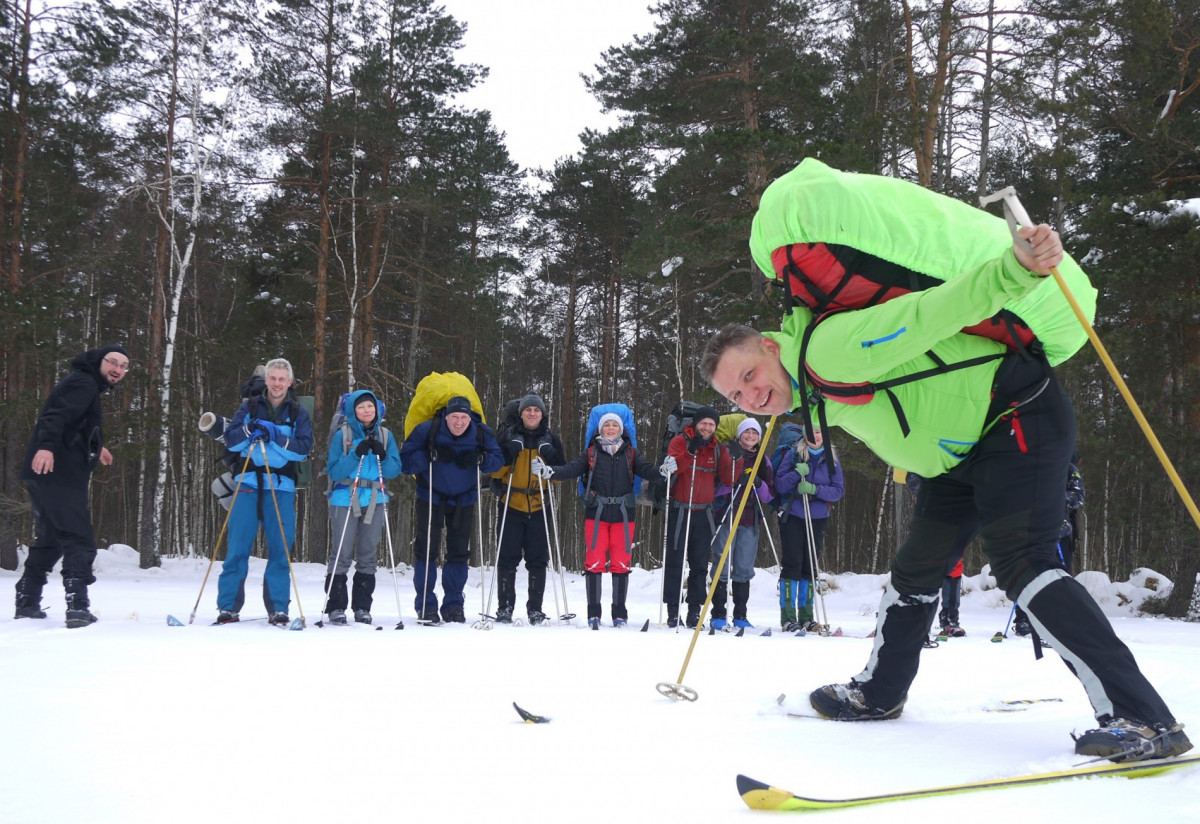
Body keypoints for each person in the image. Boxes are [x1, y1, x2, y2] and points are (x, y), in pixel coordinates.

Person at [701, 222, 1191, 762]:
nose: (751, 394)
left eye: (749, 374)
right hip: (958, 455)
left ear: (771, 346)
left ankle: (1146, 719)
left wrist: (1015, 269)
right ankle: (881, 693)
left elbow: (929, 314)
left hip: (1014, 412)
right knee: (916, 569)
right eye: (736, 394)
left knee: (1022, 561)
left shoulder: (828, 352)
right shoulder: (806, 380)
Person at [14, 344, 131, 627]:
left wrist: (95, 447)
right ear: (98, 361)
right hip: (56, 471)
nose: (117, 369)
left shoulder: (84, 383)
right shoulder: (84, 383)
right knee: (78, 537)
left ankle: (27, 600)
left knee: (52, 538)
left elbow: (77, 424)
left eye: (123, 366)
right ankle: (77, 606)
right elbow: (57, 416)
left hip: (49, 472)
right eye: (112, 362)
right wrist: (45, 447)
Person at [531, 408, 659, 628]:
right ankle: (594, 614)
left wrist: (664, 471)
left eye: (615, 425)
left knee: (621, 563)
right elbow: (571, 469)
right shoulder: (591, 452)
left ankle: (619, 614)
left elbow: (647, 470)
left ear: (621, 429)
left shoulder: (631, 453)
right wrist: (550, 471)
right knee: (595, 562)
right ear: (601, 429)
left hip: (623, 514)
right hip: (596, 514)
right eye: (607, 425)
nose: (611, 428)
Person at [216, 358, 313, 626]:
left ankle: (278, 608)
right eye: (273, 378)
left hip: (280, 487)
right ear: (266, 380)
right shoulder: (249, 406)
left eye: (282, 379)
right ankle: (228, 607)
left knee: (281, 550)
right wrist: (250, 430)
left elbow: (303, 448)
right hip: (247, 483)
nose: (277, 384)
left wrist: (276, 438)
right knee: (237, 547)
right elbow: (232, 441)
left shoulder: (297, 412)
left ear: (289, 382)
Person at [401, 395, 503, 623]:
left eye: (463, 417)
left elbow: (497, 460)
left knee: (458, 553)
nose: (459, 422)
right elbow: (405, 462)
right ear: (446, 416)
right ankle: (426, 606)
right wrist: (428, 456)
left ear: (470, 417)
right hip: (430, 496)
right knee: (426, 550)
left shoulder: (481, 432)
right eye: (454, 416)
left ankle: (454, 605)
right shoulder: (428, 429)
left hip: (464, 499)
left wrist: (480, 459)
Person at [324, 390, 402, 625]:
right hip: (344, 498)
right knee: (341, 553)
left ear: (377, 409)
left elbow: (393, 471)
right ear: (353, 411)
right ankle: (336, 606)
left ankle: (362, 607)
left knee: (368, 554)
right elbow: (334, 471)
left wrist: (383, 456)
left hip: (376, 499)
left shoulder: (386, 435)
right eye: (361, 407)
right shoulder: (343, 435)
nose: (367, 410)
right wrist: (356, 454)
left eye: (370, 406)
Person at [489, 394, 566, 625]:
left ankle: (535, 609)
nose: (532, 413)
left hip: (540, 505)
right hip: (512, 504)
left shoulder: (551, 439)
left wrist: (550, 460)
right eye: (528, 410)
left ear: (542, 414)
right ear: (521, 413)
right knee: (507, 560)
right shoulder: (508, 436)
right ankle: (505, 608)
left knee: (538, 560)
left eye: (537, 410)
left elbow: (560, 475)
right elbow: (493, 472)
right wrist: (508, 454)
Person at [662, 405, 741, 629]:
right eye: (703, 423)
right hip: (679, 510)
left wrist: (737, 458)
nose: (707, 428)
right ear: (695, 424)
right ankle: (672, 610)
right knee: (675, 562)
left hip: (704, 513)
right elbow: (674, 469)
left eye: (711, 424)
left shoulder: (718, 449)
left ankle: (694, 611)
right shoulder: (680, 441)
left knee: (699, 565)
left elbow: (729, 479)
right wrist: (690, 452)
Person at [773, 425, 843, 632]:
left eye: (819, 431)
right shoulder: (795, 454)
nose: (815, 435)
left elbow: (838, 491)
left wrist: (815, 489)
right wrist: (797, 474)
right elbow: (780, 485)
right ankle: (788, 618)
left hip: (818, 517)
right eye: (811, 432)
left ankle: (807, 617)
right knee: (792, 564)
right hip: (794, 515)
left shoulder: (831, 458)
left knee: (810, 567)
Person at [710, 418, 774, 630]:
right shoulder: (727, 452)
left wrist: (758, 483)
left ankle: (740, 615)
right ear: (739, 434)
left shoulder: (762, 459)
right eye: (747, 432)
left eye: (755, 433)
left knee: (744, 566)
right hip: (727, 512)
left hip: (749, 517)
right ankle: (718, 613)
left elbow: (768, 495)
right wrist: (734, 480)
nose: (751, 436)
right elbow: (715, 487)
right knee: (722, 562)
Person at [1014, 450, 1085, 637]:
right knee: (1029, 571)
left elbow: (1078, 495)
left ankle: (1060, 618)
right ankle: (1023, 618)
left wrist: (1059, 499)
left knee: (1060, 573)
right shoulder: (1033, 468)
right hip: (1032, 529)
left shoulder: (1069, 469)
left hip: (1060, 529)